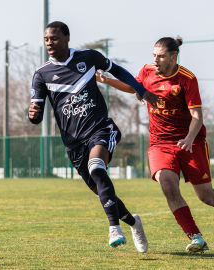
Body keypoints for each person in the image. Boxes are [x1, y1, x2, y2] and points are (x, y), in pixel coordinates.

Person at [95, 37, 214, 254]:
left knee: (206, 196)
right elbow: (133, 86)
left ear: (174, 58)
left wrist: (190, 138)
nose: (155, 59)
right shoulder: (147, 70)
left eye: (161, 56)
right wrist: (107, 80)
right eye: (154, 55)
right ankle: (196, 237)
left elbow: (197, 115)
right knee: (167, 185)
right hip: (160, 143)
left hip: (190, 142)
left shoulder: (187, 79)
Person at [28, 21, 159, 252]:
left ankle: (113, 229)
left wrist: (141, 89)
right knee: (100, 189)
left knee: (97, 168)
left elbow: (117, 70)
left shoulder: (88, 57)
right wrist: (33, 115)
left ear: (67, 38)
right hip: (73, 143)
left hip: (100, 128)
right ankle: (133, 222)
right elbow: (36, 116)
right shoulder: (41, 74)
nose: (49, 42)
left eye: (54, 38)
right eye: (47, 39)